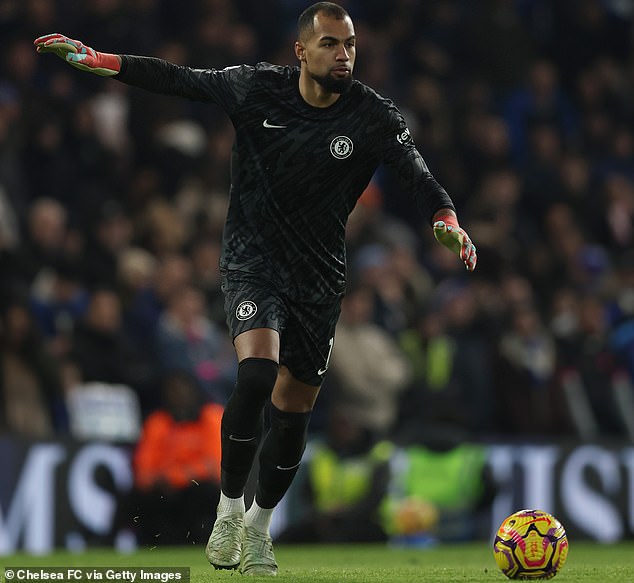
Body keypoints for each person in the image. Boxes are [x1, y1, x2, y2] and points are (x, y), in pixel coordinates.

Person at [34, 2, 477, 575]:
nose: (344, 55)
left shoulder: (373, 115)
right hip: (253, 261)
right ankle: (228, 508)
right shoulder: (256, 90)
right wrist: (106, 61)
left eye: (350, 45)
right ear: (301, 50)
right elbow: (180, 80)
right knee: (257, 374)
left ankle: (260, 528)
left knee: (293, 415)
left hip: (319, 278)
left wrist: (447, 220)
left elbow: (421, 178)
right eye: (330, 45)